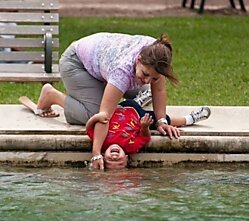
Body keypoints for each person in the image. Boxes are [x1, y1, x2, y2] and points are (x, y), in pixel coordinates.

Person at [29, 32, 180, 169]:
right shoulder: (122, 71)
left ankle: (114, 94)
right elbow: (104, 117)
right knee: (93, 115)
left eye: (154, 78)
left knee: (146, 90)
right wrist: (96, 153)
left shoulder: (157, 54)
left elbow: (159, 90)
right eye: (145, 74)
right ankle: (51, 95)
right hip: (76, 63)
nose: (148, 80)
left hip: (104, 65)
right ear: (138, 59)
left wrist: (161, 121)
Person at [86, 99, 211, 170]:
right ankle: (190, 119)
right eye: (119, 161)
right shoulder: (131, 146)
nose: (114, 157)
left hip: (113, 108)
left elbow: (89, 128)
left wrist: (96, 117)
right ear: (126, 157)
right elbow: (145, 136)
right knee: (159, 120)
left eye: (109, 160)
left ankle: (141, 98)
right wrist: (144, 127)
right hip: (136, 113)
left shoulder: (100, 141)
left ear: (103, 155)